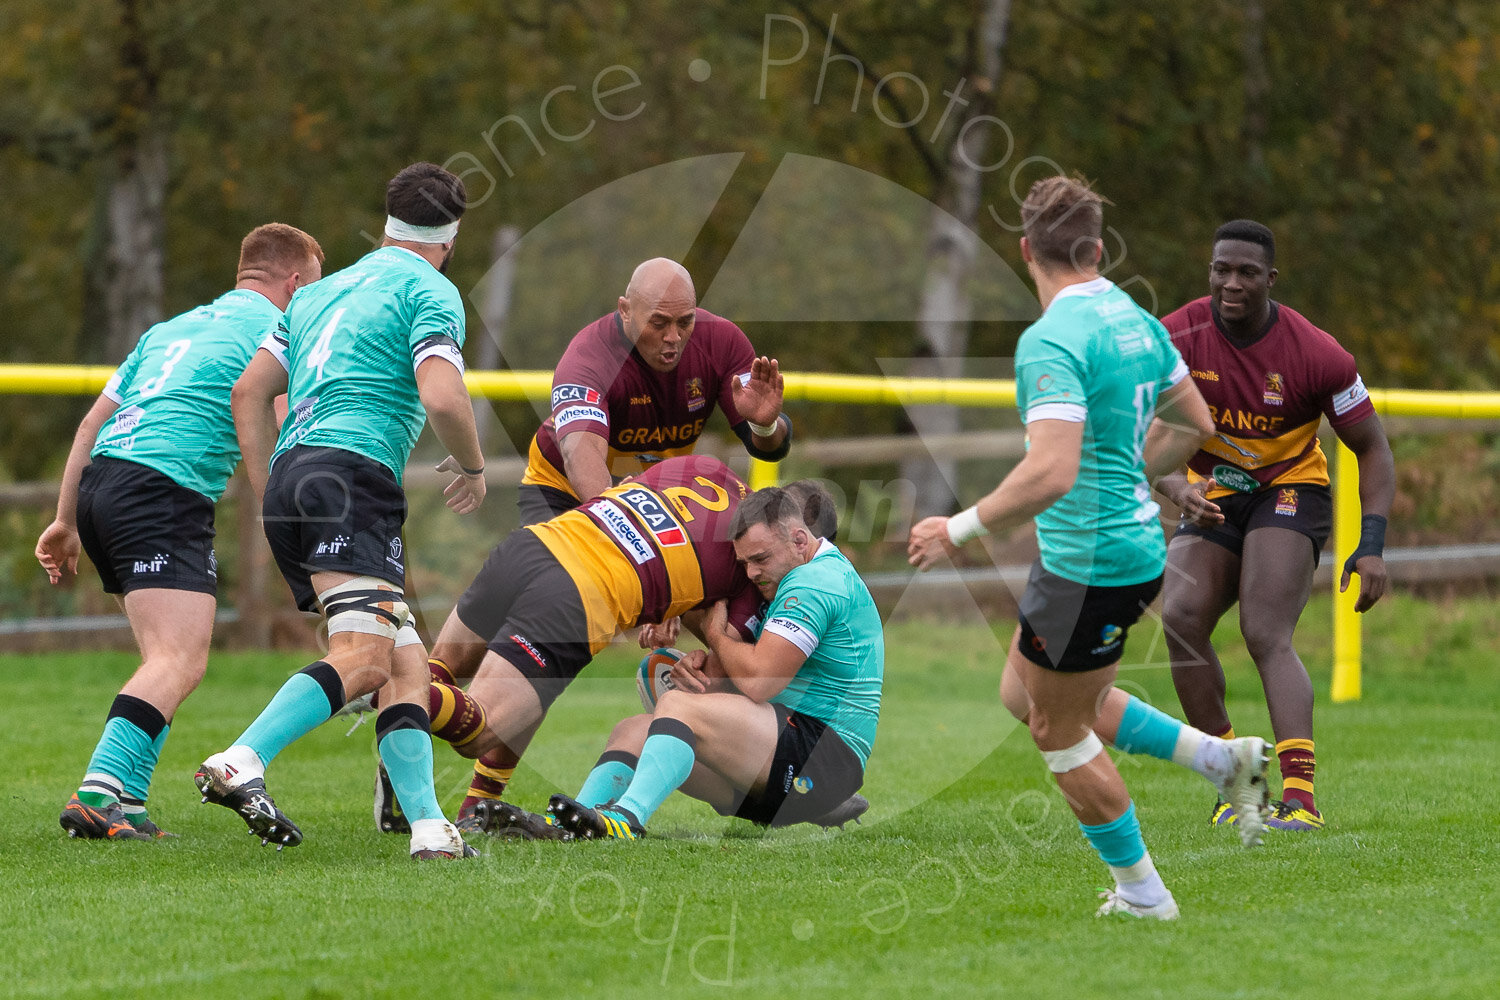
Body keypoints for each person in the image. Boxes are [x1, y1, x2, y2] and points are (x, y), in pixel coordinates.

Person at [907, 176, 1272, 920]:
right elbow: (1194, 419)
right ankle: (1220, 759)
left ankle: (1145, 894)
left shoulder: (1051, 340)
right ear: (1098, 248)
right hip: (1109, 553)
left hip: (1092, 565)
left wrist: (958, 527)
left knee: (1059, 727)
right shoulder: (1134, 317)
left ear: (1024, 250)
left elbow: (1051, 471)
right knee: (1026, 694)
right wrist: (1136, 470)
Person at [407, 257, 793, 828]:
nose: (673, 337)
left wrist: (764, 425)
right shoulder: (589, 355)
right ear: (624, 310)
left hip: (643, 516)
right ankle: (400, 713)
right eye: (658, 322)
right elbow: (584, 457)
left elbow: (770, 444)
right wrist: (637, 567)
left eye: (684, 322)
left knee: (541, 669)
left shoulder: (721, 344)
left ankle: (473, 798)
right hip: (570, 490)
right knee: (494, 658)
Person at [194, 162, 487, 860]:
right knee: (363, 657)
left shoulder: (318, 293)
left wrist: (274, 494)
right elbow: (444, 398)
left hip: (299, 471)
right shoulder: (432, 289)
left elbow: (248, 393)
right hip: (353, 478)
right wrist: (473, 468)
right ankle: (242, 758)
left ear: (388, 223)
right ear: (450, 236)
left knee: (406, 663)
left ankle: (427, 829)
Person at [37, 223, 324, 841]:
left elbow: (90, 423)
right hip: (161, 493)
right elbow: (272, 426)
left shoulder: (170, 328)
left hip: (102, 485)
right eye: (313, 289)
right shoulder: (278, 332)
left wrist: (64, 520)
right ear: (295, 283)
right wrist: (288, 517)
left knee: (164, 660)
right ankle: (97, 793)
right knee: (179, 659)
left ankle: (128, 802)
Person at [1157, 220, 1394, 832]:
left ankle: (1301, 798)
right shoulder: (1175, 337)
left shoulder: (1317, 354)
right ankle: (1236, 777)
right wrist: (1174, 486)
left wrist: (1370, 546)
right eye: (1221, 270)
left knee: (1264, 628)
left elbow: (1372, 448)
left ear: (1271, 279)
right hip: (1212, 491)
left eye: (1247, 273)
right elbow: (1129, 438)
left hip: (1290, 488)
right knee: (1180, 618)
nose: (1231, 283)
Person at [549, 483, 882, 840]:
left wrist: (717, 637)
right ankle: (561, 827)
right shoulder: (795, 573)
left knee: (679, 705)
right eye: (744, 563)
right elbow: (741, 674)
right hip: (776, 765)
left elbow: (759, 682)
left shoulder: (814, 582)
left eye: (760, 559)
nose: (751, 573)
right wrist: (687, 633)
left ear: (801, 540)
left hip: (822, 759)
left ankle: (626, 819)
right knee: (632, 731)